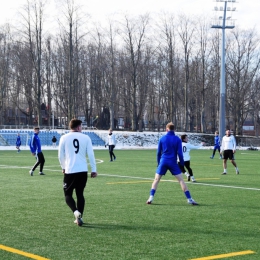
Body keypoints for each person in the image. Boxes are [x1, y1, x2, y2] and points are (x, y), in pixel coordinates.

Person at [146, 122, 198, 205]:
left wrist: (158, 163)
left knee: (156, 180)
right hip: (173, 162)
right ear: (174, 129)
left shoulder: (162, 138)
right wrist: (181, 163)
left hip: (163, 161)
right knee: (181, 180)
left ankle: (150, 198)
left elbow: (158, 153)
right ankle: (189, 199)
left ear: (167, 129)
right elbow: (180, 154)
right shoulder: (177, 139)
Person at [58, 119, 98, 226]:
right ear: (79, 127)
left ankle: (76, 212)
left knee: (67, 195)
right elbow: (91, 155)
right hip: (82, 171)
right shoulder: (86, 137)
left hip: (70, 171)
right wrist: (94, 170)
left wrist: (63, 167)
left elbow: (60, 155)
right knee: (80, 194)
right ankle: (80, 218)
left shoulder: (64, 137)